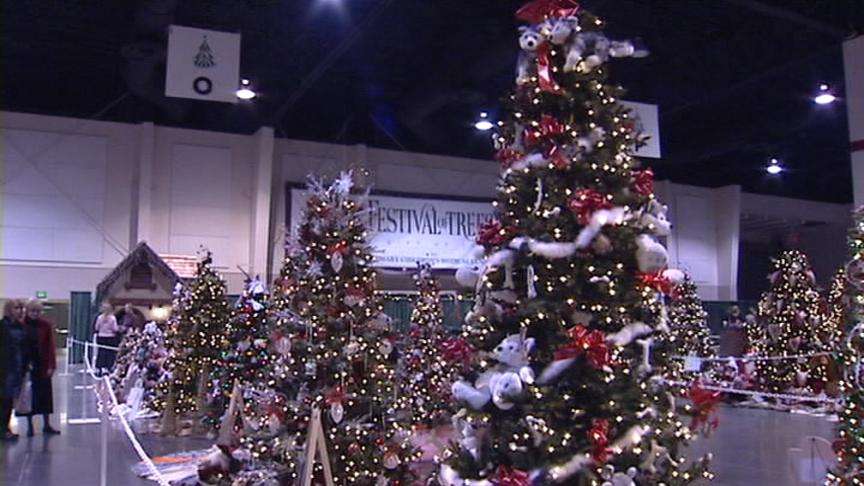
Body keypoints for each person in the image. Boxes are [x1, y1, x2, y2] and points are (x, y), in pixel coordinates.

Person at [21, 300, 59, 436]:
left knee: (45, 395)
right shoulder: (21, 325)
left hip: (42, 364)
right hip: (27, 365)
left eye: (38, 311)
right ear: (27, 311)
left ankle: (46, 425)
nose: (35, 314)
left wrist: (51, 365)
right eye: (32, 311)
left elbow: (50, 346)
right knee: (29, 396)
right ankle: (29, 426)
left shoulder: (45, 325)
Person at [0, 300, 30, 440]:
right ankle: (3, 429)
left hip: (18, 367)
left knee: (10, 400)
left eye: (21, 308)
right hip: (5, 368)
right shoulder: (2, 326)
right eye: (16, 308)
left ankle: (5, 427)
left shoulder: (21, 327)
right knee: (4, 399)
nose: (20, 311)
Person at [93, 303, 120, 375]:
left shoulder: (99, 318)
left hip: (101, 337)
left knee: (101, 352)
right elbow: (115, 329)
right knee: (109, 353)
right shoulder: (112, 318)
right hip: (110, 337)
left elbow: (96, 328)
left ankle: (99, 368)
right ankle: (108, 367)